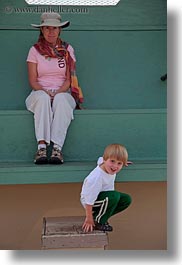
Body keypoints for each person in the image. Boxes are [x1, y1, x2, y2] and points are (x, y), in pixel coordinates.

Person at [25, 12, 83, 164]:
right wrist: (45, 92)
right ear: (42, 30)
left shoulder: (67, 49)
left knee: (62, 100)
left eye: (54, 28)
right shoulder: (35, 50)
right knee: (43, 98)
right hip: (39, 92)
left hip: (63, 91)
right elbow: (33, 80)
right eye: (47, 28)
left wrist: (57, 92)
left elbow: (69, 80)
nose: (51, 32)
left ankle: (57, 148)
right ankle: (42, 147)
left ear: (60, 30)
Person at [80, 144, 132, 232]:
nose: (115, 166)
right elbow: (89, 200)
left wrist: (123, 161)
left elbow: (102, 158)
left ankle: (99, 216)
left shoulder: (105, 163)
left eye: (119, 163)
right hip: (90, 202)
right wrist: (89, 218)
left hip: (105, 198)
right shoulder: (96, 178)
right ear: (105, 160)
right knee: (114, 196)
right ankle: (99, 222)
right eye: (112, 161)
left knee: (126, 199)